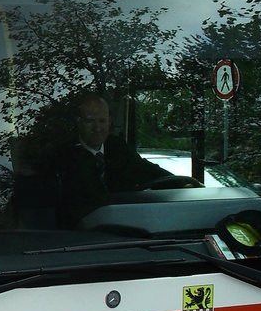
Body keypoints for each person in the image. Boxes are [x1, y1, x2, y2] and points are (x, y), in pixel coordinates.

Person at [52, 93, 173, 228]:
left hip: (127, 231)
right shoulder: (63, 157)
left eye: (102, 121)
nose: (97, 128)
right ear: (79, 122)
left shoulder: (118, 148)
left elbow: (147, 170)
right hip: (82, 236)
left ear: (109, 122)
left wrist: (181, 184)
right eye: (90, 121)